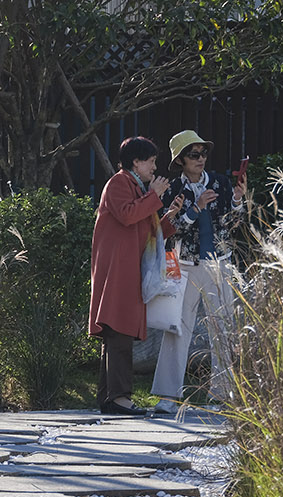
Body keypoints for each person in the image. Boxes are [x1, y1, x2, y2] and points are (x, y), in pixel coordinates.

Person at [150, 130, 245, 412]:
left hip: (219, 263)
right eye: (194, 154)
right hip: (185, 265)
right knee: (177, 328)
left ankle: (223, 395)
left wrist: (239, 200)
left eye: (204, 153)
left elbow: (233, 224)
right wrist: (196, 207)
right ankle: (168, 396)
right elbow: (169, 229)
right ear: (180, 160)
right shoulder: (170, 190)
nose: (201, 159)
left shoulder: (220, 182)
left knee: (224, 328)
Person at [89, 136, 176, 416]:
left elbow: (145, 229)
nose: (154, 167)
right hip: (117, 270)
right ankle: (119, 398)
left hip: (126, 268)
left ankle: (110, 398)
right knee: (119, 332)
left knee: (117, 334)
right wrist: (155, 196)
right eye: (150, 161)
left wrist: (171, 216)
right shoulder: (118, 183)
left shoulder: (135, 186)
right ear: (136, 162)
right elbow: (128, 216)